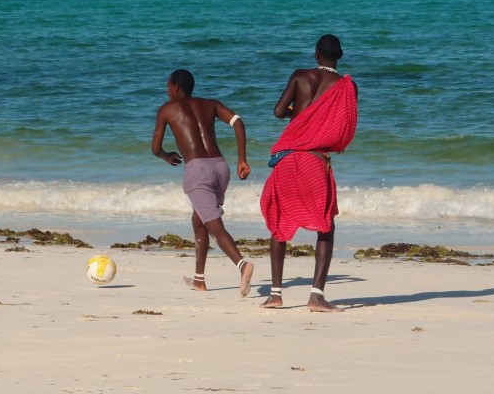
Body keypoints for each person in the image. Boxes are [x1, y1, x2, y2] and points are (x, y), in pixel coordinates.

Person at [260, 34, 358, 312]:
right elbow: (344, 129)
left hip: (287, 158)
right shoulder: (347, 87)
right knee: (325, 225)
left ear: (317, 54)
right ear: (340, 56)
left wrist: (297, 114)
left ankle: (276, 294)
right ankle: (316, 295)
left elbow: (279, 111)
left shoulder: (300, 76)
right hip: (315, 161)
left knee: (280, 222)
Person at [152, 68, 254, 297]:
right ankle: (199, 280)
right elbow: (238, 122)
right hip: (221, 167)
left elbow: (155, 148)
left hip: (198, 171)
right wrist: (242, 159)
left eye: (168, 85)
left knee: (214, 226)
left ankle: (242, 265)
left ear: (175, 87)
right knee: (199, 220)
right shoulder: (211, 104)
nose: (167, 89)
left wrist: (167, 156)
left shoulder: (167, 110)